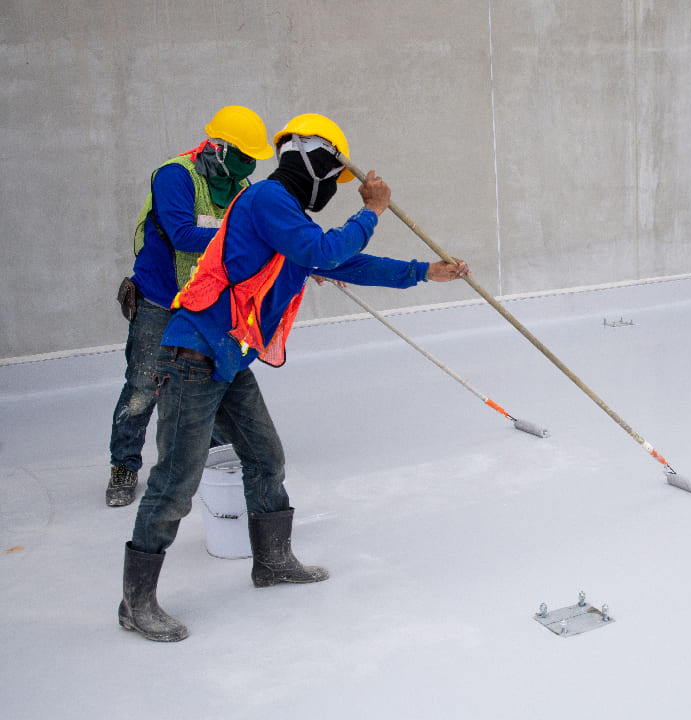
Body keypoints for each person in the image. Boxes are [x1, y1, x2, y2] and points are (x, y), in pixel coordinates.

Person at [118, 113, 471, 642]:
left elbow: (344, 263)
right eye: (334, 177)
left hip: (228, 358)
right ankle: (135, 604)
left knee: (265, 456)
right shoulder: (267, 201)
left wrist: (422, 272)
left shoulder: (288, 219)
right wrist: (372, 209)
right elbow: (325, 251)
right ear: (315, 166)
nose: (333, 188)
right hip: (193, 357)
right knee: (174, 484)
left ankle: (273, 562)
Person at [107, 106, 274, 508]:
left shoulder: (239, 183)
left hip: (205, 303)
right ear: (217, 147)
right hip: (159, 298)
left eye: (253, 157)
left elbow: (256, 232)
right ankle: (124, 465)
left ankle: (207, 459)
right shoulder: (175, 175)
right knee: (144, 384)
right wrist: (248, 238)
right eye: (242, 154)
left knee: (205, 383)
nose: (248, 164)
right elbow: (183, 234)